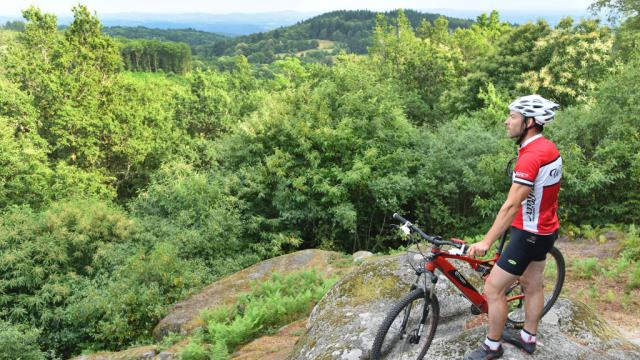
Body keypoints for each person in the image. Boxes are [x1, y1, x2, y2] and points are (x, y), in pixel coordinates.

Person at [464, 95, 562, 360]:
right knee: (533, 285)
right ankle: (528, 338)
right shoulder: (548, 148)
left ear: (530, 122)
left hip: (529, 234)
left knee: (494, 289)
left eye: (514, 117)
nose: (507, 122)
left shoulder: (531, 156)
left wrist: (486, 242)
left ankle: (492, 347)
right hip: (545, 230)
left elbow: (510, 205)